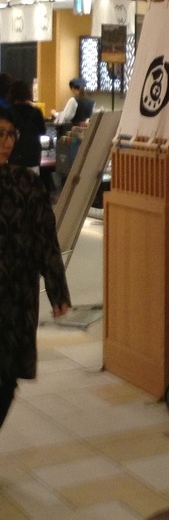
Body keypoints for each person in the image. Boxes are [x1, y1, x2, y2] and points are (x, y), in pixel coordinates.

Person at [0, 106, 71, 432]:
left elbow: (46, 239)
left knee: (7, 376)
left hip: (16, 295)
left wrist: (57, 289)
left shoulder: (27, 183)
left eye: (10, 134)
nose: (6, 142)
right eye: (0, 135)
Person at [5, 81, 46, 175]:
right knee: (32, 180)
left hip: (15, 153)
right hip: (33, 154)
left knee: (14, 180)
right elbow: (43, 131)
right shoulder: (36, 111)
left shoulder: (8, 112)